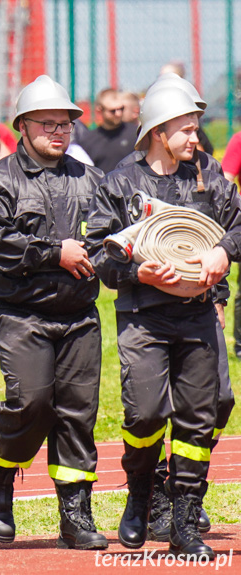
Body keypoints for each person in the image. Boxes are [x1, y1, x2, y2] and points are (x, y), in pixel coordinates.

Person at [86, 86, 241, 560]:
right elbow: (98, 252)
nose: (196, 136)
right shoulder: (118, 183)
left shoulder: (207, 175)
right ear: (158, 131)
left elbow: (238, 224)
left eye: (196, 127)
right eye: (187, 128)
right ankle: (141, 494)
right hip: (143, 317)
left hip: (196, 315)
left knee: (198, 418)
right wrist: (138, 272)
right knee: (147, 413)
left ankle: (184, 518)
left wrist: (222, 251)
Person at [0, 75, 107, 550]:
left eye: (65, 124)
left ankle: (75, 514)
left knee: (77, 414)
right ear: (23, 127)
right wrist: (56, 253)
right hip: (21, 315)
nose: (58, 132)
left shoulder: (91, 179)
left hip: (80, 317)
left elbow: (111, 238)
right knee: (31, 403)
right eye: (47, 124)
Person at [77, 88, 138, 174]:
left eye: (121, 108)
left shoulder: (136, 134)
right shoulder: (88, 141)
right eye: (112, 111)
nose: (118, 114)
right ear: (100, 110)